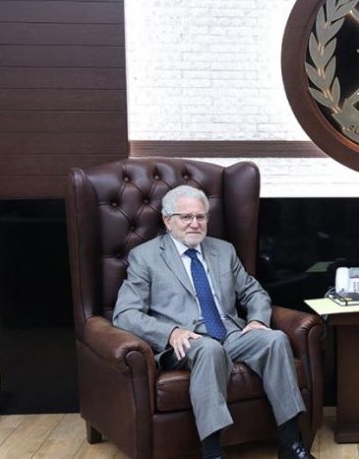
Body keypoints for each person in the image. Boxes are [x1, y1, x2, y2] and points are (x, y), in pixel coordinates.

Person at [113, 185, 314, 459]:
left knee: (275, 339)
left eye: (201, 216)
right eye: (186, 217)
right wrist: (170, 332)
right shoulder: (145, 257)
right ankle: (213, 452)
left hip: (230, 333)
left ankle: (290, 442)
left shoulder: (223, 250)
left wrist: (257, 319)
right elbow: (125, 313)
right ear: (167, 220)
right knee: (209, 349)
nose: (195, 223)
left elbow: (253, 292)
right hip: (187, 340)